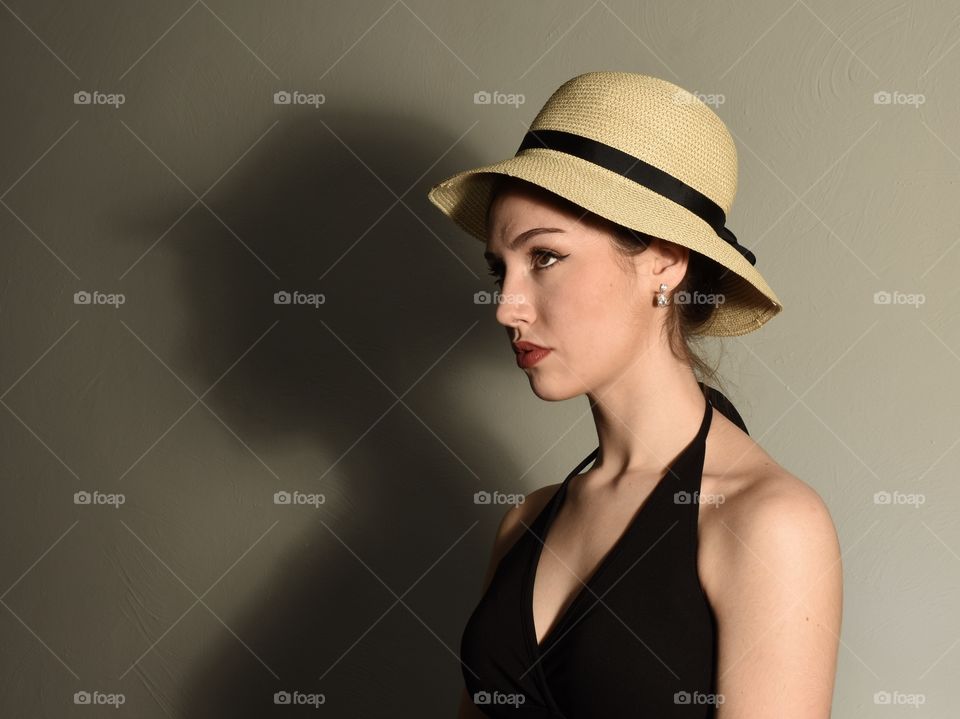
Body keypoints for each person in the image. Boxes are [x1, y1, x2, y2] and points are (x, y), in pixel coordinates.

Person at [427, 72, 842, 718]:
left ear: (665, 261)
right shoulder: (524, 525)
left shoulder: (770, 524)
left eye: (544, 258)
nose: (506, 307)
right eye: (498, 270)